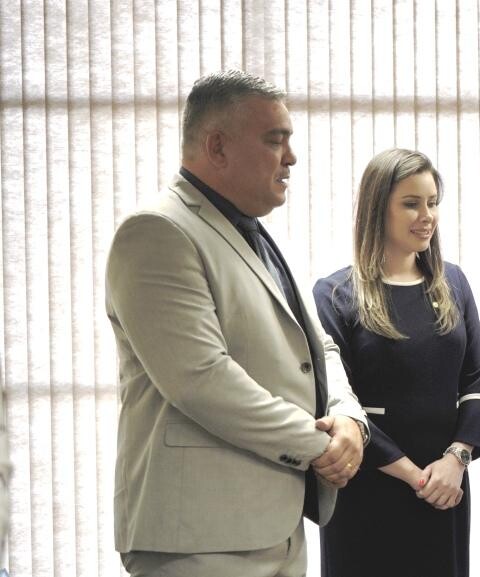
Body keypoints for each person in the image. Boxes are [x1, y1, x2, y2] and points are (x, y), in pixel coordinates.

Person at [105, 69, 369, 577]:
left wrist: (350, 420)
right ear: (218, 147)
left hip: (274, 524)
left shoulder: (254, 233)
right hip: (199, 538)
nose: (290, 158)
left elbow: (319, 348)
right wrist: (321, 446)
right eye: (275, 141)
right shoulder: (157, 232)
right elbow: (201, 379)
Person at [313, 148, 480, 577]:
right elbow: (334, 400)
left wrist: (456, 461)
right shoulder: (334, 294)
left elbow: (477, 382)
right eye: (411, 203)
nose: (427, 215)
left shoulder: (453, 282)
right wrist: (413, 476)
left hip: (446, 485)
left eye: (432, 202)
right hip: (367, 485)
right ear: (376, 208)